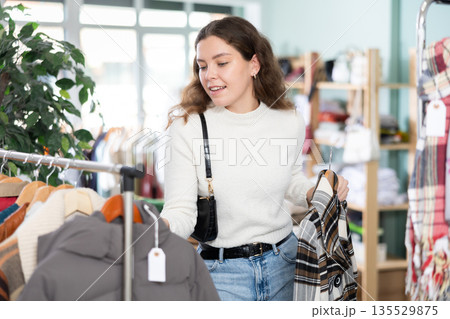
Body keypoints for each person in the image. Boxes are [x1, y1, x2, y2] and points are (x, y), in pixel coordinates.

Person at [160, 16, 349, 301]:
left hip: (287, 264)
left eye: (221, 63)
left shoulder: (289, 120)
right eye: (202, 66)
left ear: (254, 65)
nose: (209, 74)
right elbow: (181, 212)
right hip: (220, 273)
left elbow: (289, 179)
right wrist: (153, 229)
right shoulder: (188, 128)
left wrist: (316, 192)